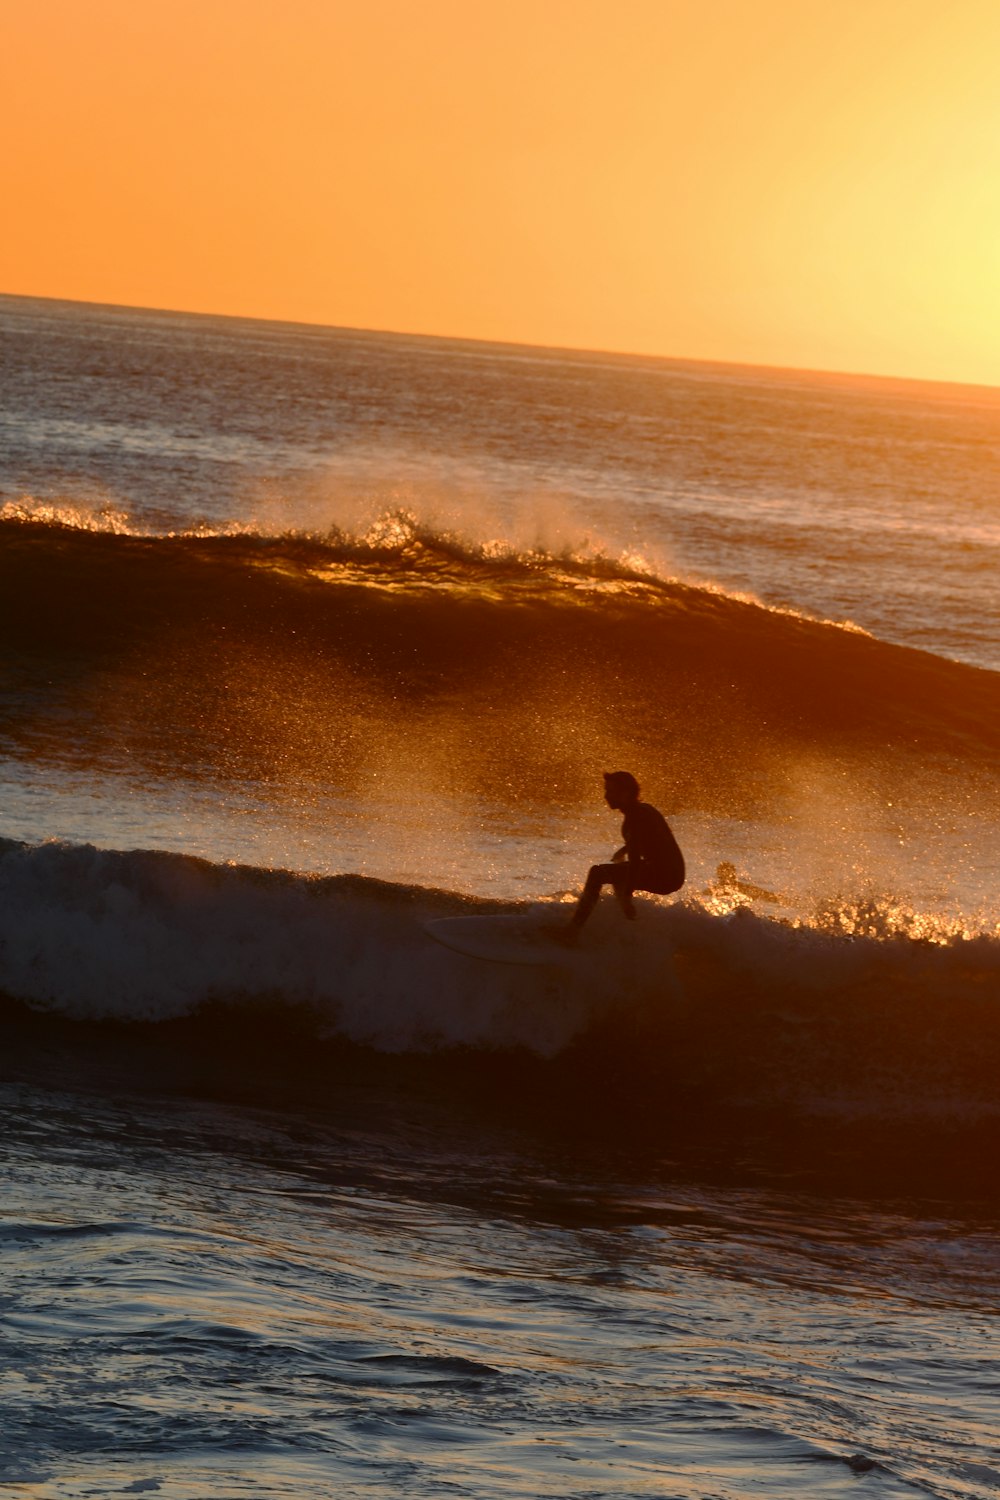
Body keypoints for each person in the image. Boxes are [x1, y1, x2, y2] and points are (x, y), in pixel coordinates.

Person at [561, 771, 685, 935]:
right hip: (673, 874)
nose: (606, 796)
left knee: (597, 873)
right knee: (616, 873)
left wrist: (628, 894)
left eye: (610, 791)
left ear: (625, 793)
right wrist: (625, 848)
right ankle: (623, 927)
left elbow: (634, 861)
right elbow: (656, 839)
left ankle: (572, 931)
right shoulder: (645, 809)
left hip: (663, 875)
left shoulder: (634, 818)